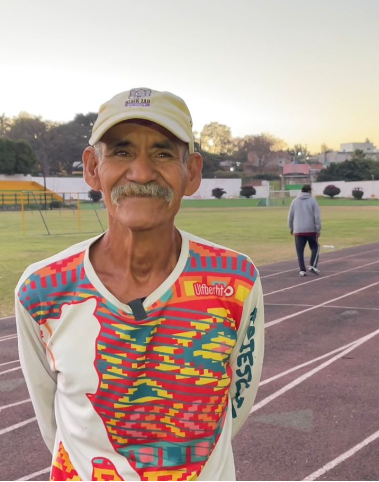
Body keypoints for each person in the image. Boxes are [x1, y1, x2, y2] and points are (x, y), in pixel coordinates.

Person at [15, 88, 264, 481]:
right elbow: (54, 420)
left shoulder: (234, 280)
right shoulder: (42, 290)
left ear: (193, 172)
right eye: (121, 152)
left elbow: (237, 405)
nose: (142, 173)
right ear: (92, 167)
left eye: (163, 153)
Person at [288, 184, 322, 277]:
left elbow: (290, 217)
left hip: (298, 230)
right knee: (315, 247)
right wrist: (318, 229)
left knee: (299, 251)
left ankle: (302, 270)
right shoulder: (313, 201)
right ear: (309, 191)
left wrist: (291, 228)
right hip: (311, 229)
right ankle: (312, 265)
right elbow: (317, 217)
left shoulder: (294, 201)